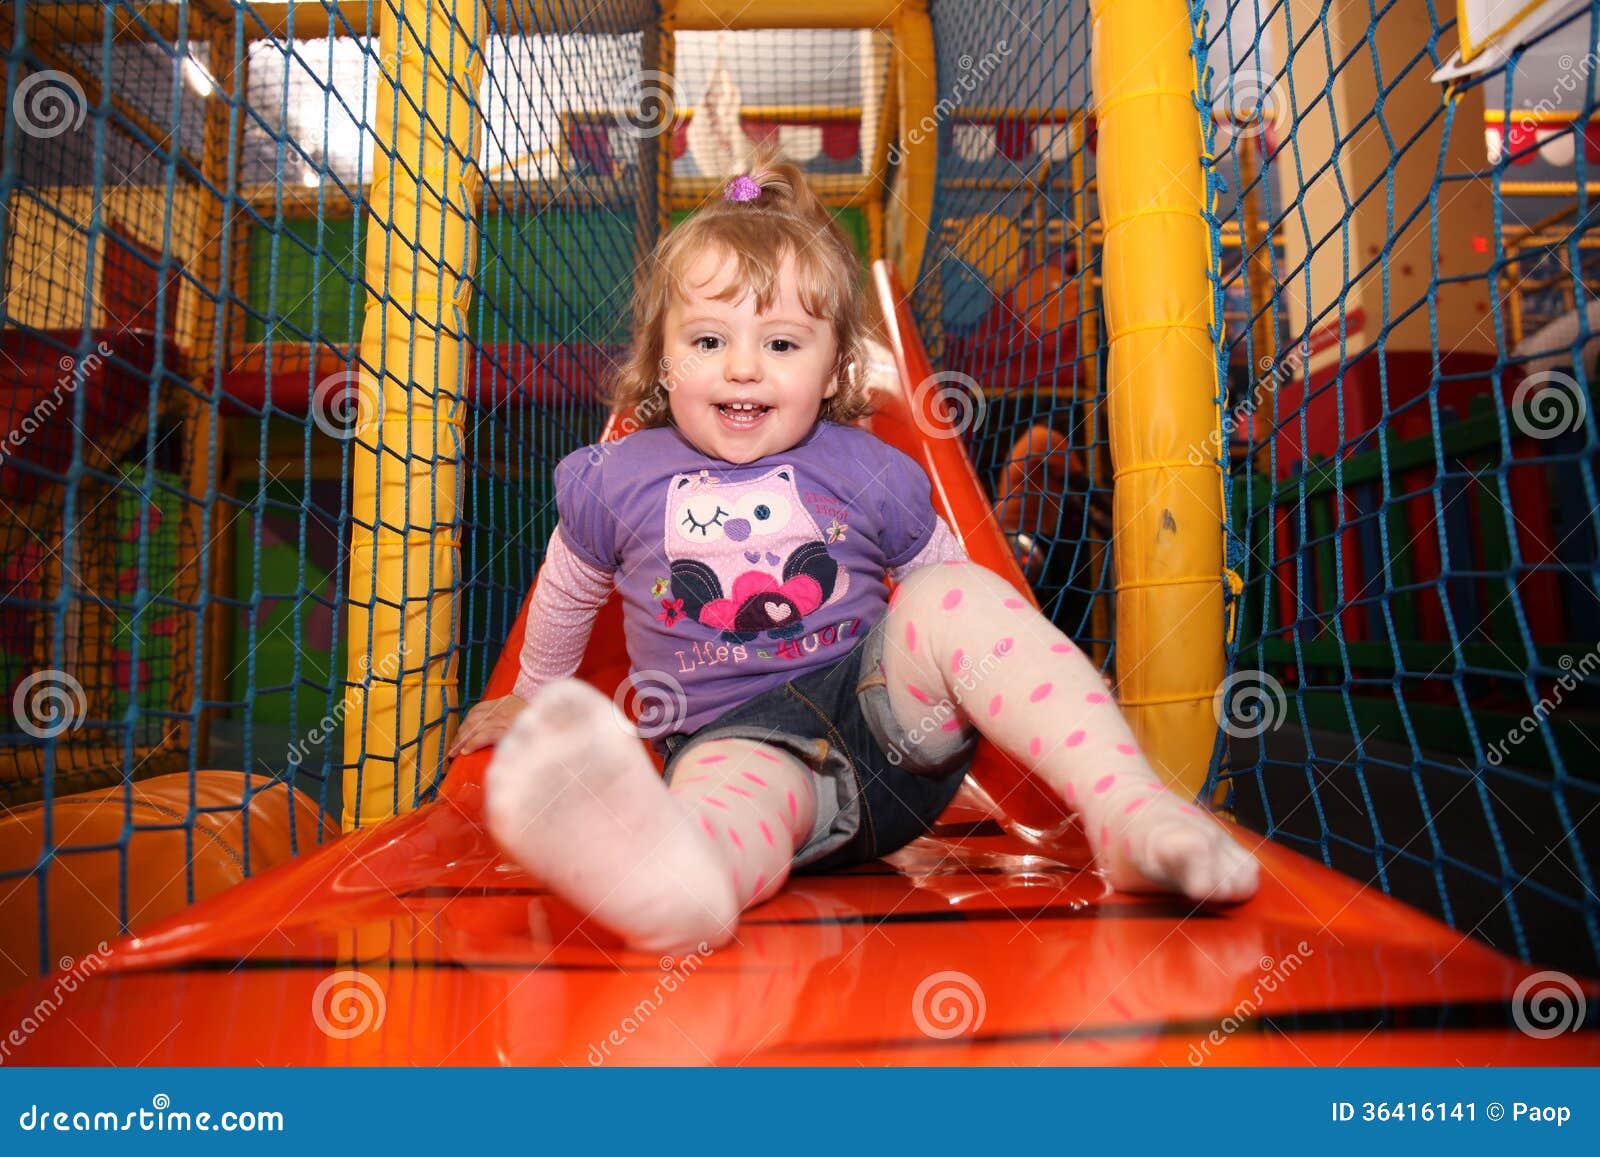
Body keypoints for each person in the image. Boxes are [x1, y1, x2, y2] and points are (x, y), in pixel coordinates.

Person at [446, 154, 1259, 953]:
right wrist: (534, 697)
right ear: (662, 356)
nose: (741, 366)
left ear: (836, 365)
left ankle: (1128, 809)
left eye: (781, 345)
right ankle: (682, 878)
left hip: (893, 726)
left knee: (948, 595)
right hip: (741, 743)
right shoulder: (618, 476)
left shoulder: (866, 465)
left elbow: (965, 603)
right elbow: (568, 585)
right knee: (727, 797)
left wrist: (1024, 681)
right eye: (707, 339)